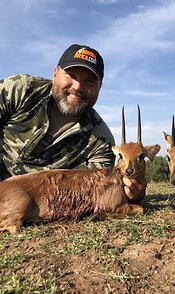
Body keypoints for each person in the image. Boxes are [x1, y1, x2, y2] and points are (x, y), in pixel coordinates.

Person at [0, 44, 146, 201]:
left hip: (34, 204)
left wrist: (133, 193)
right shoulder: (20, 89)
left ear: (100, 87)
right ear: (55, 73)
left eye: (89, 81)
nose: (77, 87)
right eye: (70, 75)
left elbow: (100, 190)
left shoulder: (101, 140)